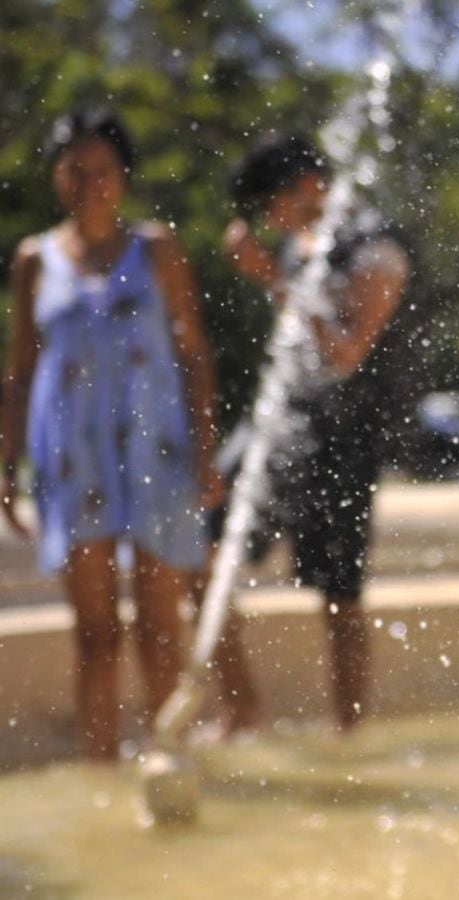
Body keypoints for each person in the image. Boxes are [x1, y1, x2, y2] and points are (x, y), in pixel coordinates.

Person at [0, 109, 222, 760]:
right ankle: (100, 772)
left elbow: (194, 355)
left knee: (160, 627)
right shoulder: (35, 260)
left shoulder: (157, 250)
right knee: (95, 635)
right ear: (56, 175)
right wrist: (7, 463)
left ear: (123, 176)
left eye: (102, 170)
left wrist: (207, 454)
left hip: (157, 451)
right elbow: (21, 370)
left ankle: (167, 765)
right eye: (75, 169)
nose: (89, 183)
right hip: (74, 460)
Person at [216, 134, 414, 731]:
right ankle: (242, 709)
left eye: (270, 204)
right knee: (201, 541)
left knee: (339, 595)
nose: (270, 219)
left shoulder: (376, 249)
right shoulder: (300, 246)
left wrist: (272, 280)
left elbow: (348, 354)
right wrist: (276, 275)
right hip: (281, 424)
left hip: (344, 437)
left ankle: (348, 734)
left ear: (307, 185)